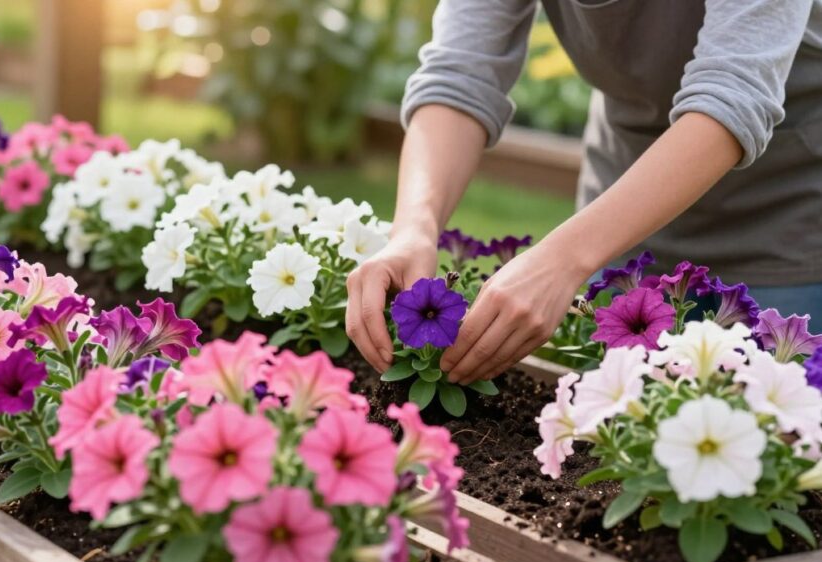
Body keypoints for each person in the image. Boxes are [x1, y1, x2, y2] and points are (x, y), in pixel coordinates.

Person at [346, 0, 822, 384]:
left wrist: (561, 260)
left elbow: (732, 98)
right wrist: (413, 229)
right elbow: (459, 75)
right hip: (621, 211)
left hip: (783, 212)